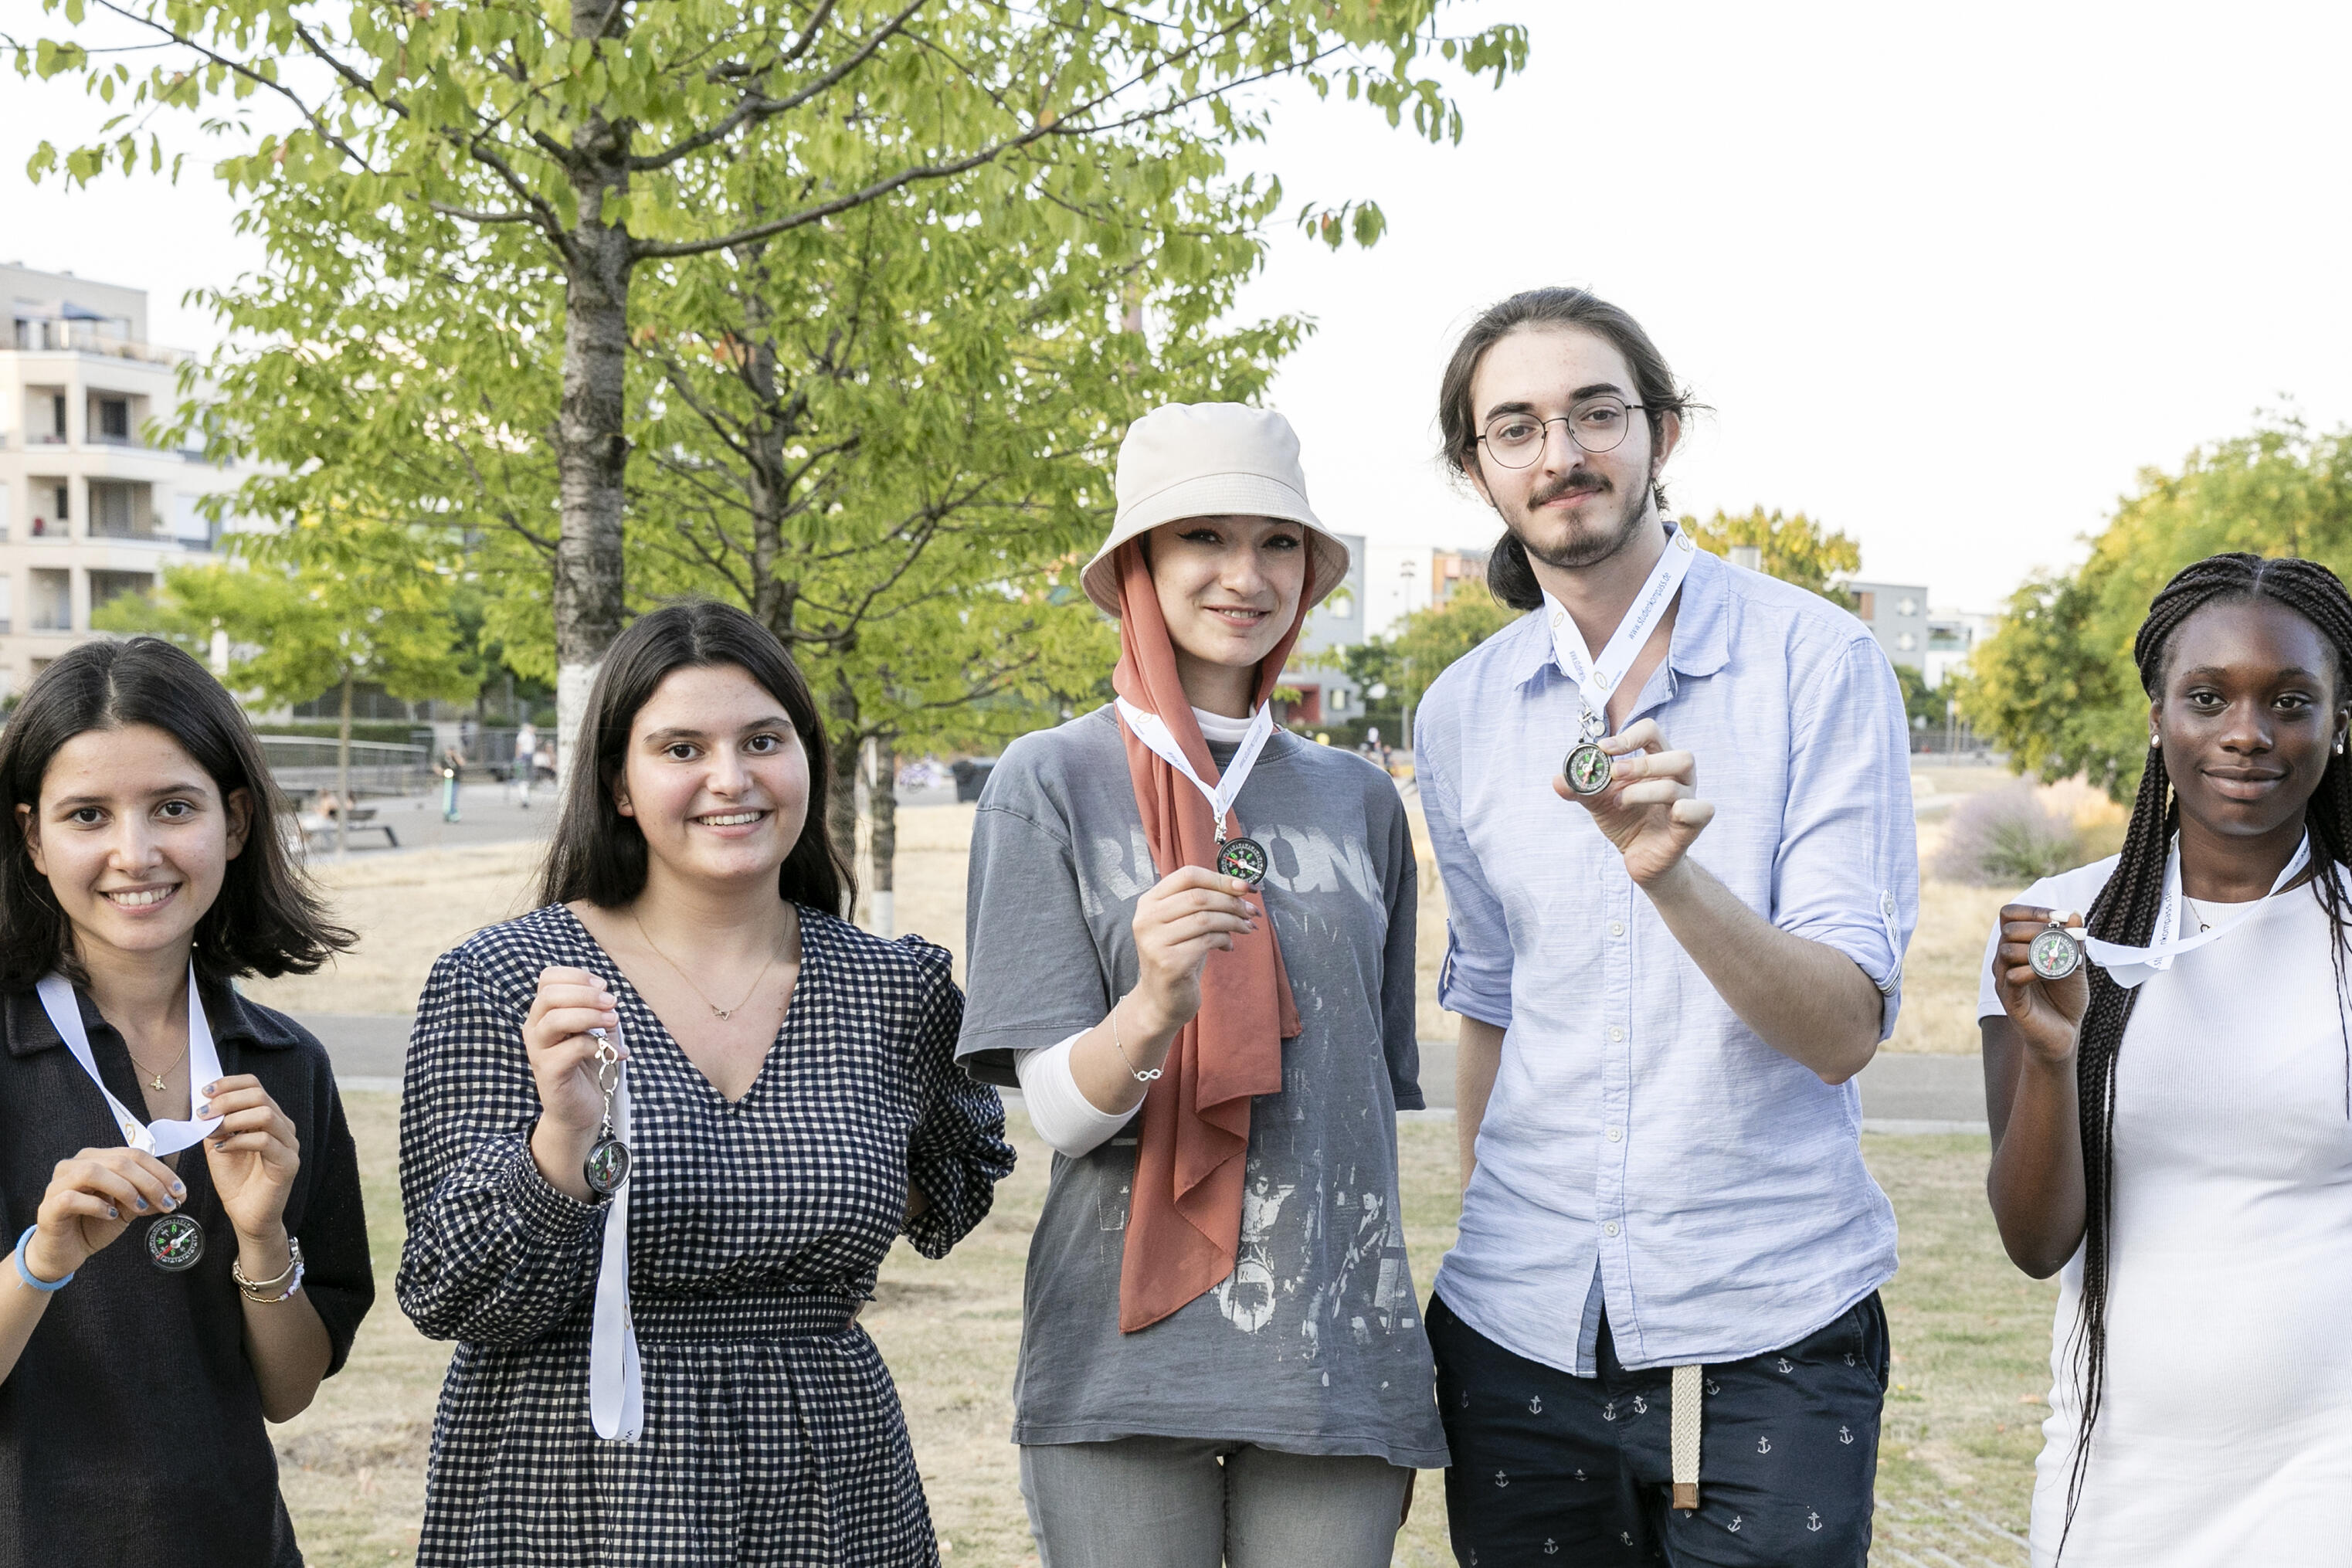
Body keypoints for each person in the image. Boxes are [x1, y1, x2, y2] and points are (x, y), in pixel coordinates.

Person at [1412, 287, 1916, 1565]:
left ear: (1664, 434)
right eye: (1514, 428)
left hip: (1770, 1328)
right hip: (1519, 1334)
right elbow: (1490, 998)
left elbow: (1846, 1029)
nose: (1561, 452)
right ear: (1478, 470)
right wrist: (1500, 1225)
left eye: (1596, 413)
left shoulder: (1819, 662)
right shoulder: (1461, 710)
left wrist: (1672, 880)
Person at [399, 601, 1013, 1566]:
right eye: (681, 748)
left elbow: (956, 1172)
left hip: (824, 1472)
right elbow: (447, 1289)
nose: (730, 779)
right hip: (570, 1478)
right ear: (621, 784)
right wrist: (560, 1142)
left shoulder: (892, 989)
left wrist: (798, 1190)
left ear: (808, 759)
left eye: (763, 740)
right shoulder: (507, 981)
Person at [957, 402, 1446, 1568]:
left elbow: (1356, 1100)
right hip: (1122, 1351)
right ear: (1140, 565)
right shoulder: (1048, 780)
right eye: (1203, 539)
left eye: (1279, 544)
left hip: (1330, 1353)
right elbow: (1065, 1118)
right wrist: (1152, 1004)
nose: (1246, 574)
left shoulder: (1361, 800)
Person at [1980, 554, 2352, 1566]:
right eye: (2206, 696)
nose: (2246, 732)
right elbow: (2033, 1238)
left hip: (2330, 1464)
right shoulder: (2056, 930)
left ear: (2337, 722)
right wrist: (2054, 1054)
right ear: (2156, 716)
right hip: (2115, 1466)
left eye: (2289, 700)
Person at [0, 637, 373, 1566]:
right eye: (88, 813)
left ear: (235, 820)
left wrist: (261, 1237)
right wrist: (43, 1258)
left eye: (174, 806)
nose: (137, 852)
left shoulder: (287, 1066)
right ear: (33, 838)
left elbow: (287, 1391)